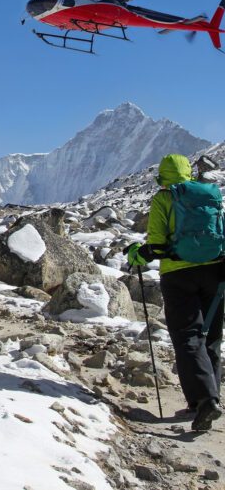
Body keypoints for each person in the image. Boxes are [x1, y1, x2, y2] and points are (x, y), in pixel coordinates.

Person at [127, 154, 223, 431]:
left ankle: (204, 401)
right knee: (212, 336)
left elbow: (156, 244)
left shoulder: (163, 198)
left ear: (162, 176)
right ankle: (210, 397)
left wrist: (137, 253)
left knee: (187, 336)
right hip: (215, 273)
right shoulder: (208, 194)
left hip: (178, 274)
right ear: (189, 172)